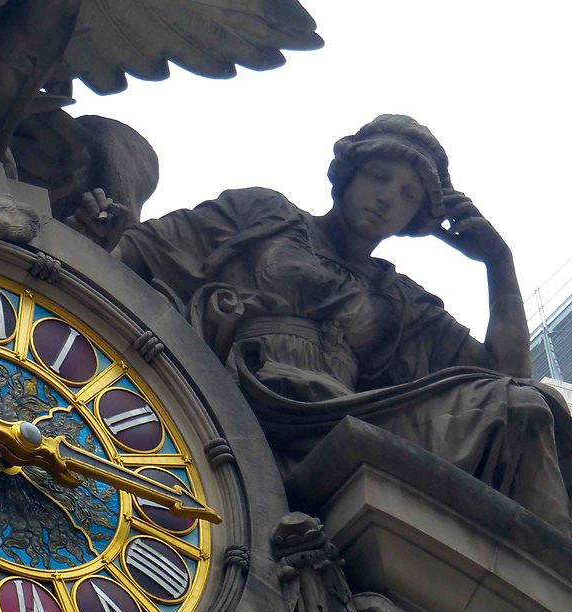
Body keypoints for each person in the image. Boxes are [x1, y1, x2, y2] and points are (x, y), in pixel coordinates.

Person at [68, 114, 572, 537]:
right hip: (249, 390)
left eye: (408, 195)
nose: (387, 198)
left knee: (528, 407)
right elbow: (145, 251)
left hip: (349, 419)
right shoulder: (263, 212)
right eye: (379, 176)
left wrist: (498, 264)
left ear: (417, 217)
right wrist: (93, 238)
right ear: (349, 172)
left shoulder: (402, 301)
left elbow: (509, 378)